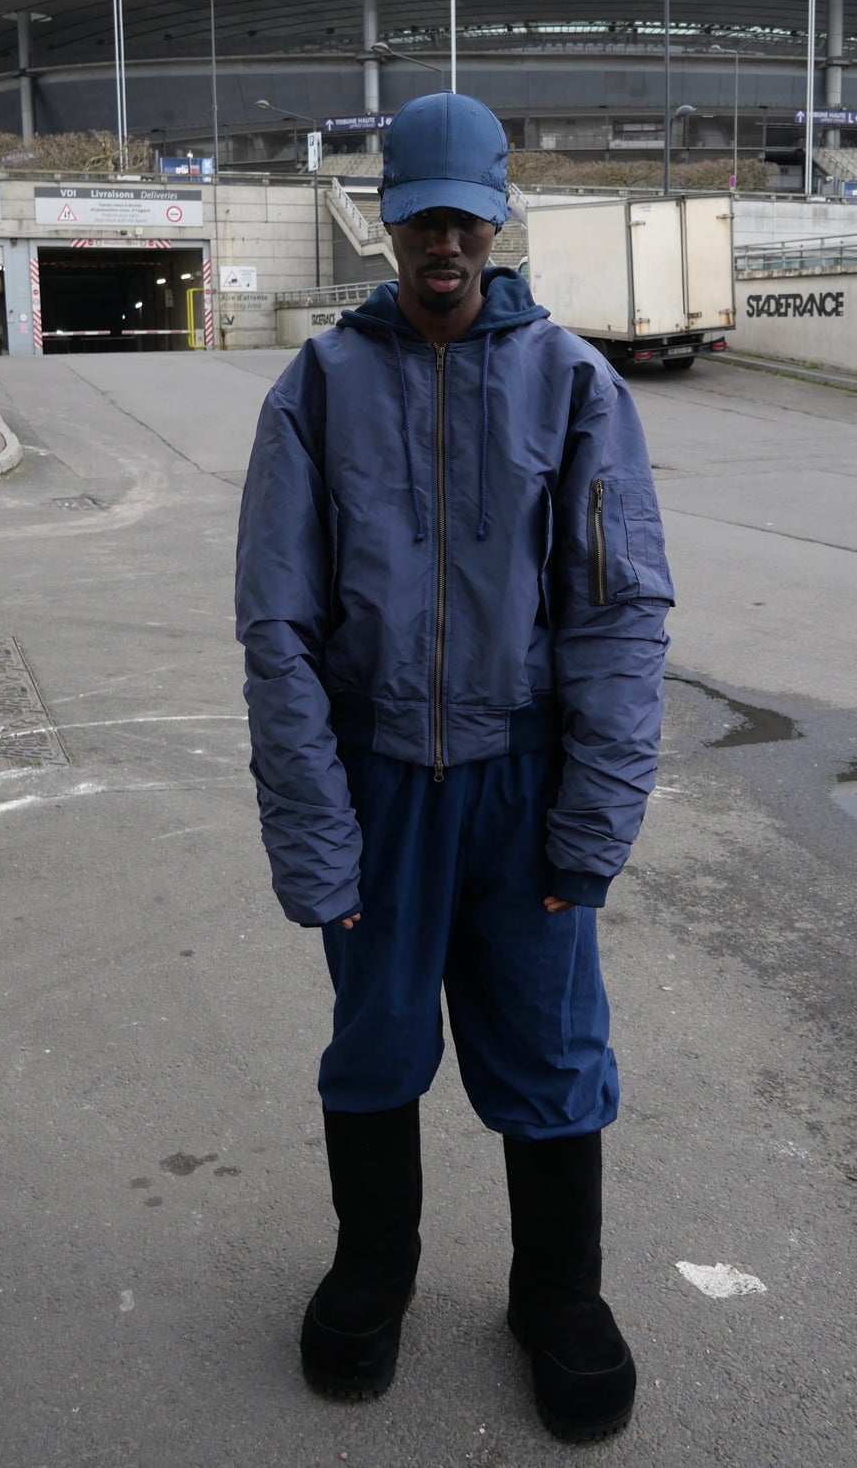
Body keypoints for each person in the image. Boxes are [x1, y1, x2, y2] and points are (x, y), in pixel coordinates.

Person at [234, 91, 672, 1444]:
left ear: (495, 222)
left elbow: (616, 611)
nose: (442, 241)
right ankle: (378, 1262)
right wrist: (319, 840)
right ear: (386, 220)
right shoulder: (315, 391)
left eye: (464, 218)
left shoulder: (570, 384)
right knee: (372, 1043)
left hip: (518, 786)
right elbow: (280, 628)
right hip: (376, 787)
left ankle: (558, 1292)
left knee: (550, 1045)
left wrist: (586, 832)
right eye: (419, 214)